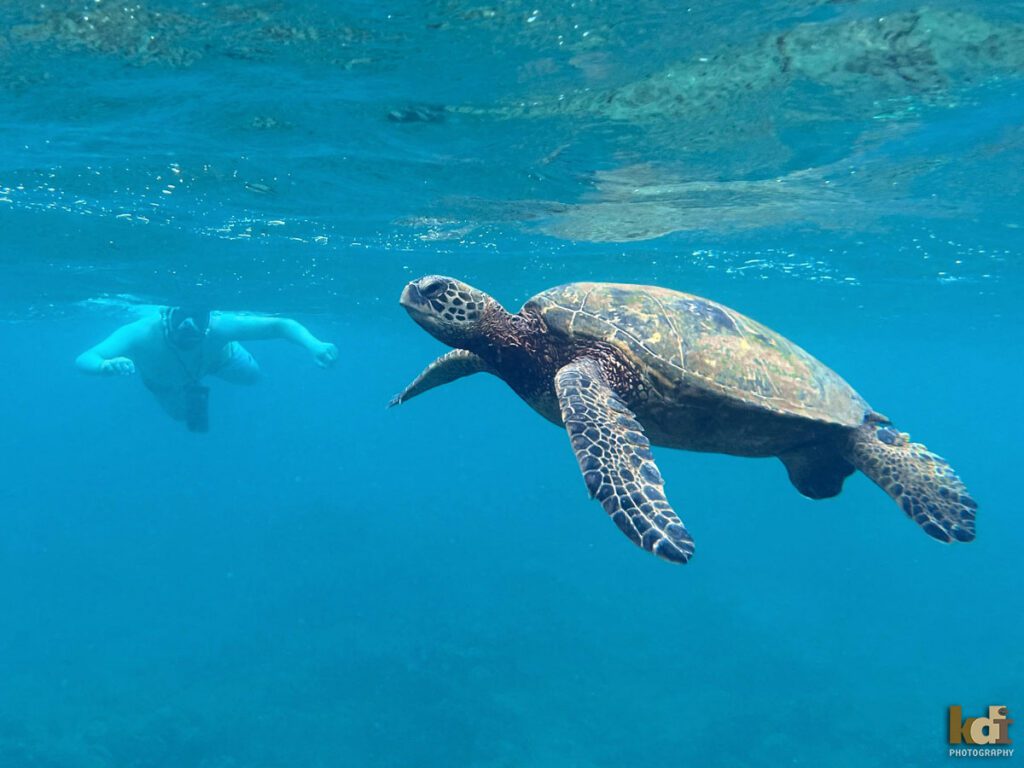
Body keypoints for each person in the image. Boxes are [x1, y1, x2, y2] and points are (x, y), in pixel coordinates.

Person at [76, 306, 338, 432]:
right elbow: (85, 357)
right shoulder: (139, 334)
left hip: (218, 359)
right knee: (182, 418)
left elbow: (280, 326)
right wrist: (102, 366)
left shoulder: (221, 327)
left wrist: (314, 344)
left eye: (198, 317)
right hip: (168, 384)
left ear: (208, 319)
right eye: (180, 316)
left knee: (254, 378)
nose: (188, 324)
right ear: (166, 314)